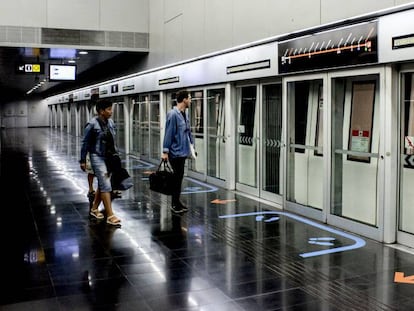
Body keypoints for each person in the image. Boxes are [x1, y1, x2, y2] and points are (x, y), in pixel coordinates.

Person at [79, 99, 121, 226]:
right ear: (101, 111)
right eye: (108, 109)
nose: (111, 111)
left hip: (108, 157)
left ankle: (94, 209)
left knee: (103, 184)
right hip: (97, 157)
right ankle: (110, 215)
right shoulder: (92, 124)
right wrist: (82, 160)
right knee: (106, 185)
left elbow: (112, 141)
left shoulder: (111, 123)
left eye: (111, 108)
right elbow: (85, 143)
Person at [161, 90, 194, 213]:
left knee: (179, 178)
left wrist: (192, 146)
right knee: (176, 178)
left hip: (183, 151)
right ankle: (174, 204)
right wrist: (165, 151)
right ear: (184, 99)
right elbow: (168, 134)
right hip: (175, 153)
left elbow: (188, 131)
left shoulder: (185, 114)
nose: (190, 101)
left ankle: (177, 202)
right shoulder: (173, 114)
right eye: (189, 98)